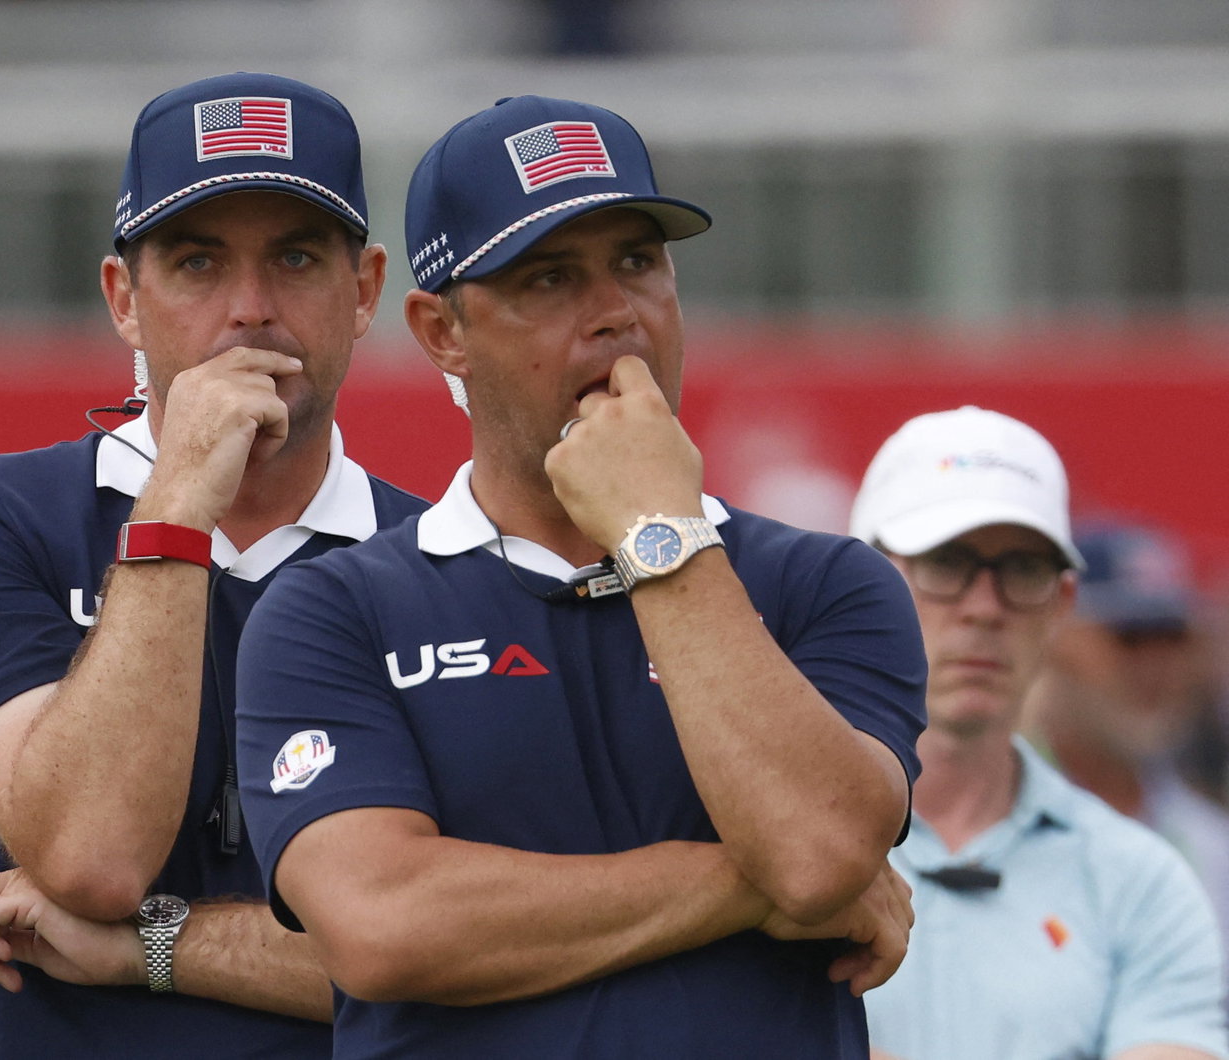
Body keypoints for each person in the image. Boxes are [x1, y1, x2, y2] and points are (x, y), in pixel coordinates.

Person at [225, 94, 928, 1057]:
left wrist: (658, 532)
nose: (614, 316)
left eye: (638, 263)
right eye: (550, 279)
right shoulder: (333, 609)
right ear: (441, 332)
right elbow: (384, 927)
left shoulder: (826, 582)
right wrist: (747, 881)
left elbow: (815, 850)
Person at [0, 72, 424, 1057]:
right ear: (123, 300)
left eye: (297, 257)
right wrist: (179, 499)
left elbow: (452, 954)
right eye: (195, 264)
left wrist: (155, 940)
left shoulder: (442, 560)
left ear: (362, 293)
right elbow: (91, 856)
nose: (249, 309)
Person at [848, 407, 1228, 1060]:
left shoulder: (1145, 877)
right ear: (857, 581)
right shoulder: (756, 839)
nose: (985, 606)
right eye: (945, 561)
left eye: (1024, 569)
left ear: (1062, 605)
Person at [1024, 518, 1229, 983]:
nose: (1156, 667)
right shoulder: (981, 814)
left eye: (1173, 637)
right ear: (1054, 637)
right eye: (1129, 637)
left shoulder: (1212, 846)